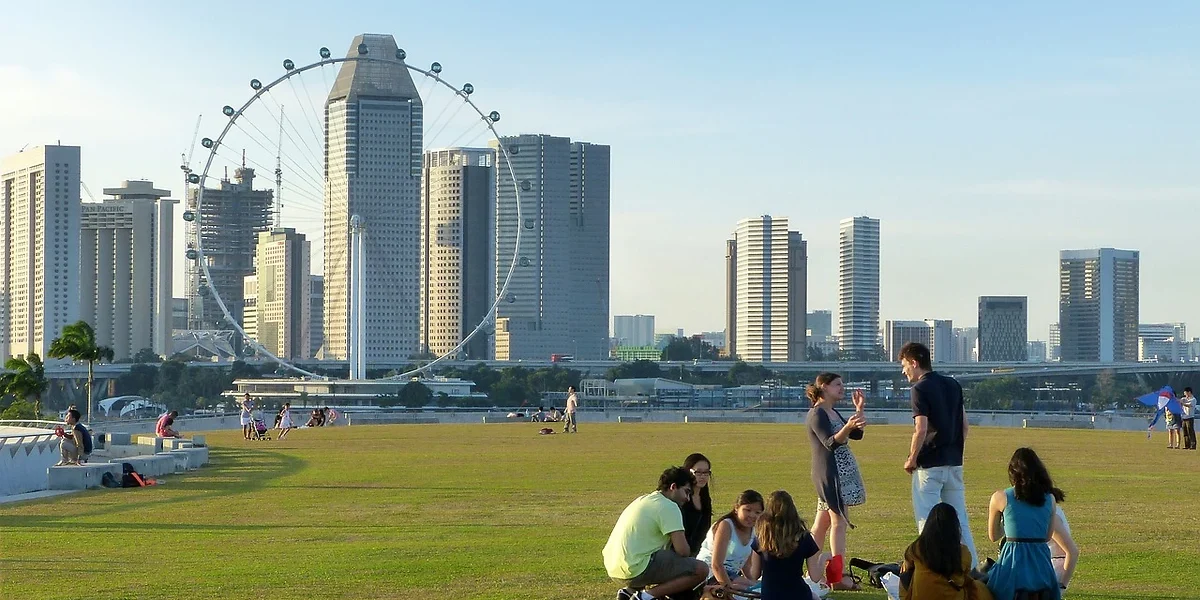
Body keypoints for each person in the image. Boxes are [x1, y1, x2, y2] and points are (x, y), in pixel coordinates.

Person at [900, 341, 978, 568]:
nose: (903, 370)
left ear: (914, 363)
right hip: (954, 462)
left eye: (904, 365)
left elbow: (921, 428)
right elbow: (964, 426)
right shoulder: (953, 384)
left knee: (927, 519)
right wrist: (955, 450)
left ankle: (932, 569)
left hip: (929, 465)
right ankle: (971, 569)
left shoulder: (919, 389)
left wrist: (912, 458)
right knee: (959, 519)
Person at [985, 448, 1078, 600]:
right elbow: (1047, 536)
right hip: (1041, 565)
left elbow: (993, 536)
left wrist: (1009, 524)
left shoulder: (1000, 497)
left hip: (1012, 564)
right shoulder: (1050, 499)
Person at [603, 466, 708, 600]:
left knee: (660, 556)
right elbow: (683, 551)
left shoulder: (644, 499)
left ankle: (629, 592)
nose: (687, 498)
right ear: (673, 487)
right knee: (700, 569)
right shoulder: (669, 506)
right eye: (686, 492)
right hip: (635, 569)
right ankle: (645, 596)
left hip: (613, 567)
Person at [805, 372, 867, 590]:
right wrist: (848, 427)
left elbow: (856, 436)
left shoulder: (831, 411)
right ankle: (836, 577)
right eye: (837, 385)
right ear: (824, 387)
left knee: (821, 526)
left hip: (840, 472)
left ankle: (812, 574)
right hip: (831, 474)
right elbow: (830, 442)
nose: (842, 388)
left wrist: (858, 411)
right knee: (838, 523)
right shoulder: (817, 413)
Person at [899, 503, 993, 600]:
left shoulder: (916, 547)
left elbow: (905, 570)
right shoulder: (962, 552)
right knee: (980, 588)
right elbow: (965, 575)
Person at [748, 490, 826, 600]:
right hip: (798, 594)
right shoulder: (804, 538)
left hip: (770, 595)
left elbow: (754, 575)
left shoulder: (762, 539)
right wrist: (823, 558)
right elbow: (815, 577)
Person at [696, 490, 764, 589]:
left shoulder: (753, 530)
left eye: (757, 512)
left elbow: (745, 564)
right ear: (736, 508)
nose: (752, 515)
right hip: (710, 574)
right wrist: (729, 590)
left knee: (759, 588)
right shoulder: (726, 525)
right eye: (747, 510)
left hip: (731, 576)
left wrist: (752, 581)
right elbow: (716, 565)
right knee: (750, 589)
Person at [681, 453, 714, 558]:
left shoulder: (705, 500)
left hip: (701, 553)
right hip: (682, 553)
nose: (703, 477)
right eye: (698, 472)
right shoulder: (681, 500)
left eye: (706, 473)